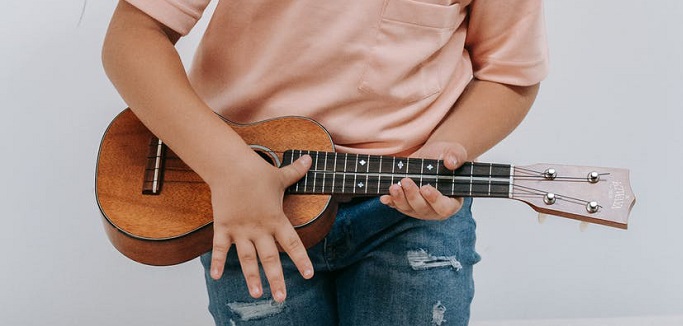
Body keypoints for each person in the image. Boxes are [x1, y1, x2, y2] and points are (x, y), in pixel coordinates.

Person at [102, 0, 548, 324]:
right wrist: (228, 166)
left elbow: (508, 73)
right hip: (252, 203)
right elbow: (133, 35)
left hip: (410, 214)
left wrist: (451, 145)